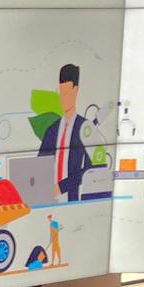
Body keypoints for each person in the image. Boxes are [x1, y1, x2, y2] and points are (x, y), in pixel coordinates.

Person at [38, 63, 92, 203]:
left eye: (68, 92)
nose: (64, 98)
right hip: (48, 201)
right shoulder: (51, 130)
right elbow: (39, 165)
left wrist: (61, 187)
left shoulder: (86, 129)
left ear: (76, 90)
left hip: (74, 199)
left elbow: (90, 170)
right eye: (62, 92)